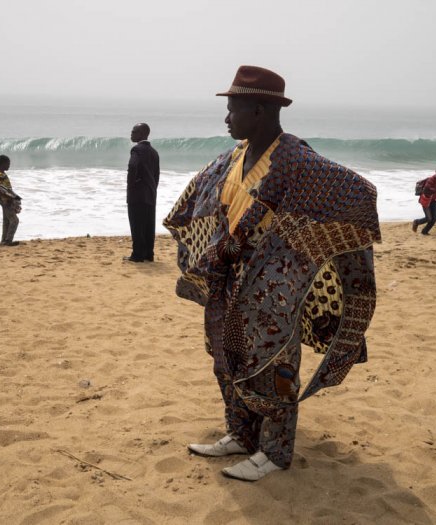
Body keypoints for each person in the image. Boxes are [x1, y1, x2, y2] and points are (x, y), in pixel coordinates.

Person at [163, 65, 381, 481]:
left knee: (273, 365)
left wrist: (297, 241)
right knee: (227, 360)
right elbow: (203, 195)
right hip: (229, 281)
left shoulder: (296, 161)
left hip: (274, 287)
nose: (226, 118)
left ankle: (275, 451)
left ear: (260, 110)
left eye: (234, 109)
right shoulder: (235, 157)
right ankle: (242, 434)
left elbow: (358, 193)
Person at [124, 123, 160, 262]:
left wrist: (131, 186)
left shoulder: (137, 150)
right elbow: (156, 175)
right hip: (150, 193)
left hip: (137, 194)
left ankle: (137, 255)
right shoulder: (154, 152)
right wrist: (152, 188)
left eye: (134, 131)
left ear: (142, 134)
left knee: (136, 225)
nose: (131, 134)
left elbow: (133, 167)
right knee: (148, 225)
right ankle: (148, 254)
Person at [412, 165, 436, 235]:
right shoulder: (431, 179)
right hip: (426, 199)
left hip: (433, 200)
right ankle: (416, 222)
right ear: (435, 171)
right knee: (428, 218)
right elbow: (426, 189)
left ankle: (425, 231)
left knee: (434, 218)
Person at [0, 154, 22, 246]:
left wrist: (14, 197)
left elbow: (5, 188)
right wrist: (8, 198)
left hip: (6, 200)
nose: (9, 165)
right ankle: (8, 240)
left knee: (7, 221)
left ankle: (4, 240)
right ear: (2, 164)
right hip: (6, 201)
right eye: (8, 163)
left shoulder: (2, 174)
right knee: (14, 220)